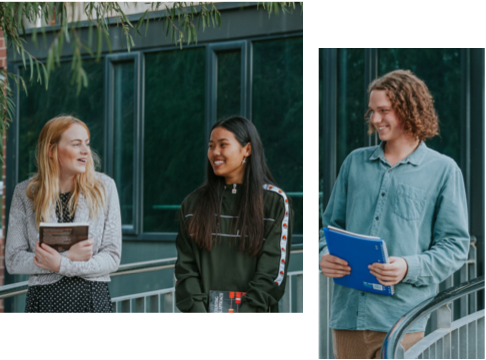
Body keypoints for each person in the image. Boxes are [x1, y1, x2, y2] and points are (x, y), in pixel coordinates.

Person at [318, 70, 469, 359]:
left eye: (384, 111)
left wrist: (408, 267)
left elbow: (456, 247)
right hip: (349, 318)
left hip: (405, 321)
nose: (374, 119)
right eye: (372, 111)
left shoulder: (444, 171)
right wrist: (324, 256)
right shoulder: (354, 163)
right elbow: (329, 228)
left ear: (410, 109)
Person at [174, 116, 294, 313]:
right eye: (211, 146)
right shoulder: (192, 204)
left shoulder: (274, 203)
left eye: (223, 145)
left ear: (247, 149)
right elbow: (185, 270)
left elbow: (272, 274)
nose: (215, 152)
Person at [5, 115, 122, 313]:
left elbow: (112, 257)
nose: (86, 151)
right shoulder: (26, 193)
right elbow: (13, 260)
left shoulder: (105, 188)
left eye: (86, 143)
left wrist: (61, 263)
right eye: (76, 144)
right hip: (43, 303)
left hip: (91, 301)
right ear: (52, 150)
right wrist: (68, 256)